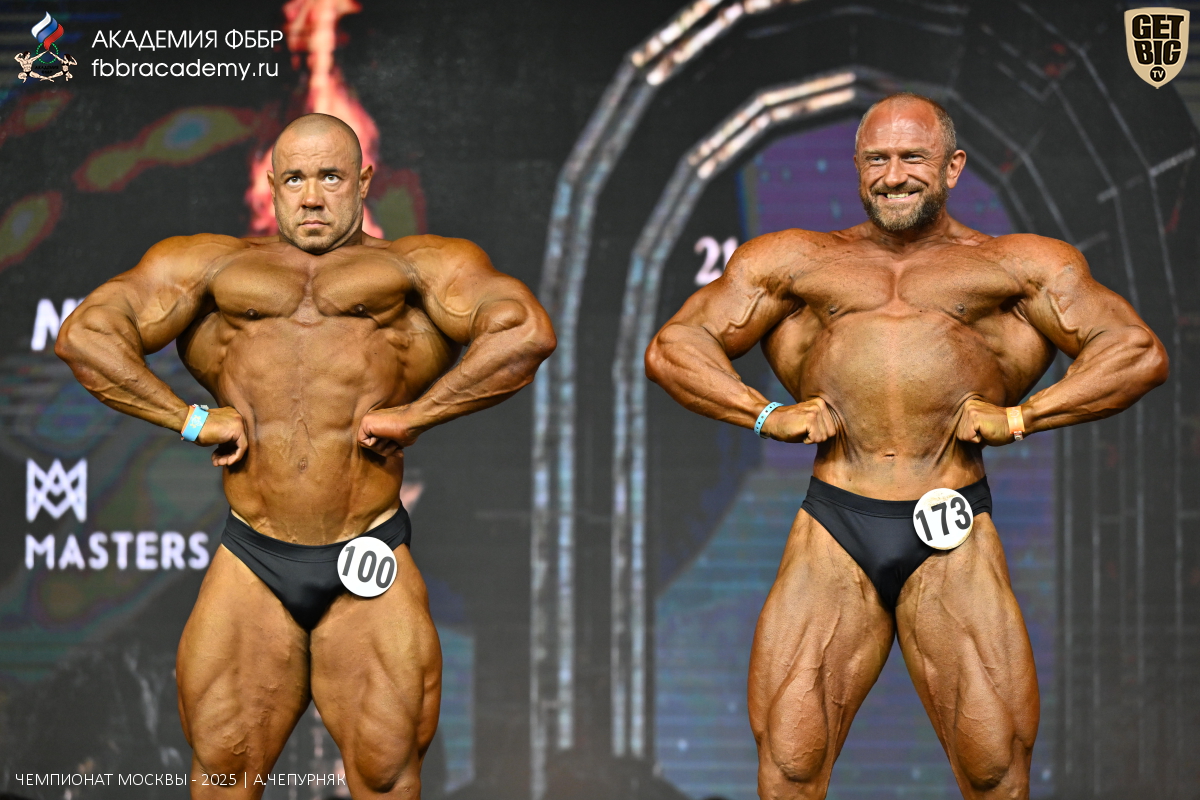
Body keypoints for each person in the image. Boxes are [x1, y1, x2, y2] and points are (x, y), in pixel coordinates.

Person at [645, 93, 1167, 799]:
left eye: (912, 157)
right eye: (877, 159)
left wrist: (1022, 417)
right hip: (836, 521)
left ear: (953, 167)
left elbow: (1134, 351)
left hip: (952, 521)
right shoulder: (797, 260)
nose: (893, 175)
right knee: (790, 762)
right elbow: (675, 347)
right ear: (858, 168)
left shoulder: (1016, 266)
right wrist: (766, 415)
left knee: (993, 767)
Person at [56, 113, 556, 799]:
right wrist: (189, 418)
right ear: (271, 185)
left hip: (368, 552)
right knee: (224, 772)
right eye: (295, 179)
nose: (312, 197)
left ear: (364, 181)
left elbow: (524, 331)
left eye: (330, 177)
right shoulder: (214, 266)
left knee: (385, 775)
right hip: (254, 556)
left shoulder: (415, 267)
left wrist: (419, 414)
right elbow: (86, 335)